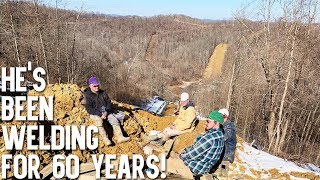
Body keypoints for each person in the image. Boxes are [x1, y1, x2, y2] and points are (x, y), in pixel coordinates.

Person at [166, 110, 224, 179]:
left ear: (216, 123)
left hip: (194, 168)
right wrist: (185, 150)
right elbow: (197, 150)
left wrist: (179, 155)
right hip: (204, 167)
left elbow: (191, 155)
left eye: (208, 121)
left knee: (165, 164)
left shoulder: (209, 138)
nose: (205, 123)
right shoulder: (221, 136)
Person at [84, 77, 130, 146]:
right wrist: (100, 114)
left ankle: (120, 136)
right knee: (98, 121)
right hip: (95, 113)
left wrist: (106, 112)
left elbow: (109, 102)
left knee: (113, 119)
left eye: (98, 85)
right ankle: (105, 139)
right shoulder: (87, 95)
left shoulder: (103, 93)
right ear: (90, 86)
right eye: (95, 86)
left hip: (105, 111)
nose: (97, 87)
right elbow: (89, 109)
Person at [217, 108, 237, 177]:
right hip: (221, 153)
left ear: (225, 117)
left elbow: (223, 138)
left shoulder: (229, 127)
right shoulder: (223, 125)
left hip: (226, 156)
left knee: (222, 175)